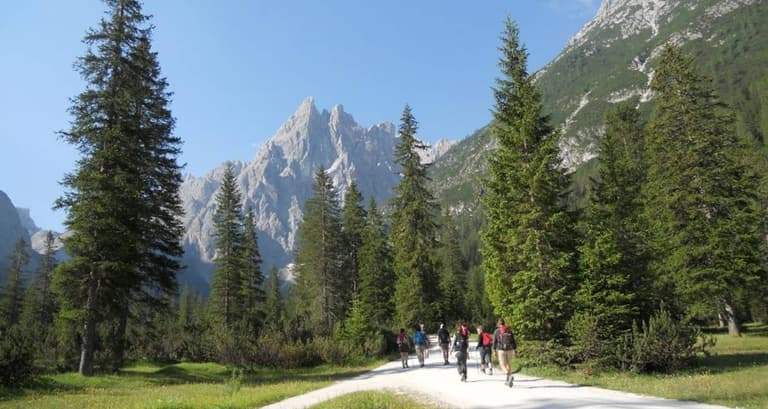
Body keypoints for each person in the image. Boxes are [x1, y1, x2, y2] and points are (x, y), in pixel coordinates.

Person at [492, 318, 518, 386]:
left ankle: (508, 375)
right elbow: (513, 341)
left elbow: (494, 342)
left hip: (501, 350)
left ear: (498, 324)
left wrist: (494, 350)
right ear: (504, 323)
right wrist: (515, 350)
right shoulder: (509, 330)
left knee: (502, 365)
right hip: (510, 349)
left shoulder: (497, 331)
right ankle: (508, 380)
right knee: (508, 364)